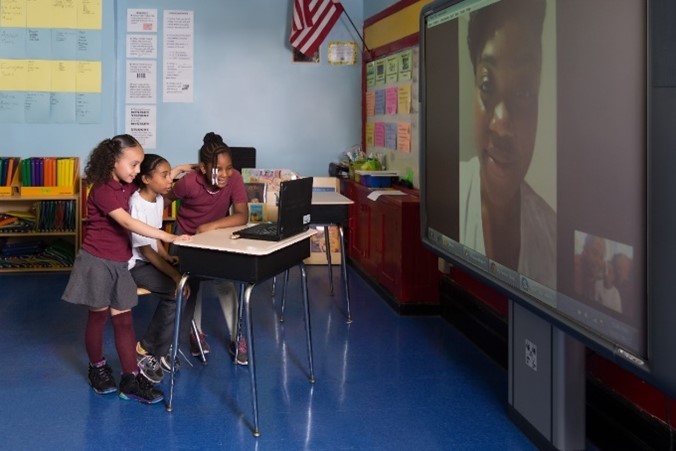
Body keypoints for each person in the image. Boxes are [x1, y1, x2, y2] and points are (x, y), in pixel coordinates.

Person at [62, 134, 191, 404]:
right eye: (133, 165)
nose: (137, 171)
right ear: (113, 161)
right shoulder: (102, 189)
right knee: (98, 318)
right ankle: (97, 367)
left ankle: (130, 379)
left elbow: (150, 182)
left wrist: (176, 171)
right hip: (96, 261)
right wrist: (169, 237)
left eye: (140, 165)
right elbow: (128, 223)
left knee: (123, 320)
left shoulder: (128, 185)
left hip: (120, 263)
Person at [459, 0, 556, 288]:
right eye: (488, 85)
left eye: (524, 91)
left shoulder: (553, 238)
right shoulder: (451, 195)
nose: (501, 125)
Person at [167, 132, 250, 365]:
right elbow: (164, 199)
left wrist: (209, 226)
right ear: (203, 168)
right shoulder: (188, 182)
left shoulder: (234, 179)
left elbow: (242, 216)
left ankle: (237, 336)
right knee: (191, 286)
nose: (224, 174)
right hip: (185, 237)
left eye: (229, 168)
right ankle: (196, 333)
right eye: (218, 169)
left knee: (225, 283)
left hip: (214, 237)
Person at [128, 154, 194, 380]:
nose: (170, 181)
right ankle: (152, 350)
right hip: (134, 264)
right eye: (164, 176)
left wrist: (166, 255)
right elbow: (145, 250)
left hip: (150, 259)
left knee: (185, 287)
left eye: (170, 175)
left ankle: (154, 347)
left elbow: (155, 234)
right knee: (176, 291)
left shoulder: (156, 198)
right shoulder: (136, 204)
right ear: (146, 178)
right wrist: (174, 275)